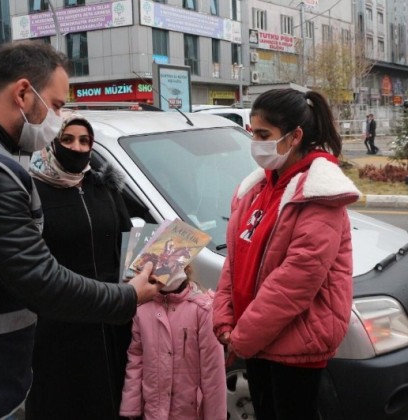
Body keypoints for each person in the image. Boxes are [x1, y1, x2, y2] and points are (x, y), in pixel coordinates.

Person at [0, 40, 158, 420]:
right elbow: (41, 281)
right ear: (23, 92)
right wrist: (128, 297)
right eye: (54, 104)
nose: (58, 118)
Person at [212, 88, 360, 420]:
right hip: (255, 338)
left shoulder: (319, 197)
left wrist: (242, 337)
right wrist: (224, 319)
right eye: (253, 134)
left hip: (295, 345)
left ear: (295, 136)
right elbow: (234, 261)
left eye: (264, 135)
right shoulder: (257, 189)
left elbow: (294, 283)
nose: (256, 144)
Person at [25, 113, 133, 419]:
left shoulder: (103, 188)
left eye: (85, 141)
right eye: (68, 139)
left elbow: (127, 241)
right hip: (59, 322)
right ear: (52, 143)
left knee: (112, 398)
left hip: (111, 316)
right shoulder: (33, 191)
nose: (77, 147)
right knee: (64, 401)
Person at [120, 268, 226, 420]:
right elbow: (136, 360)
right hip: (154, 412)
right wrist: (131, 408)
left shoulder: (202, 310)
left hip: (189, 413)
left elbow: (213, 372)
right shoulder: (142, 309)